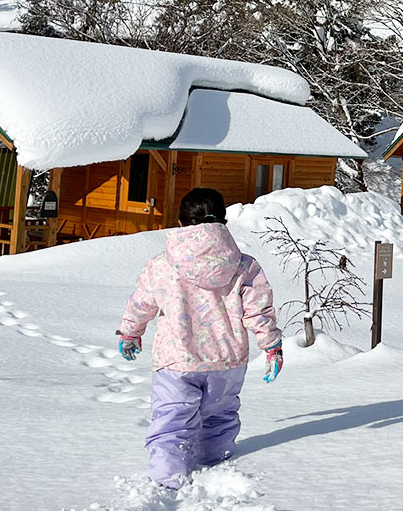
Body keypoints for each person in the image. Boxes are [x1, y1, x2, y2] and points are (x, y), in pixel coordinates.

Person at [116, 187, 284, 489]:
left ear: (181, 224)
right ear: (223, 222)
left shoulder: (162, 265)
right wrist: (271, 346)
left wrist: (131, 331)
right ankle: (215, 460)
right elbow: (259, 310)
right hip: (227, 360)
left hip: (176, 359)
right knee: (219, 416)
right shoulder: (244, 265)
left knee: (171, 418)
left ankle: (167, 473)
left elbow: (142, 302)